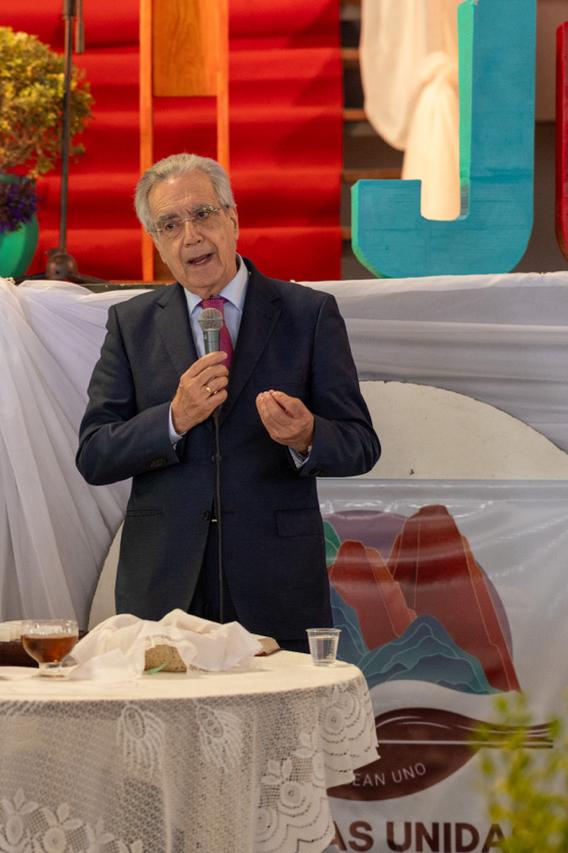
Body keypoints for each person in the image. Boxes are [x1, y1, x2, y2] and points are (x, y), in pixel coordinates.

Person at [75, 153, 380, 652]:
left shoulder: (308, 314)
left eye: (202, 214)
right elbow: (94, 455)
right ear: (156, 242)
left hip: (276, 583)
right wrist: (174, 419)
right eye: (170, 224)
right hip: (164, 587)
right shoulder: (131, 325)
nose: (190, 235)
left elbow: (361, 445)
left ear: (232, 218)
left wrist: (306, 436)